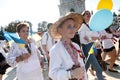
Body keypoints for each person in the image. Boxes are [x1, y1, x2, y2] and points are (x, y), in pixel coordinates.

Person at [49, 12, 87, 80]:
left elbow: (82, 65)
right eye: (69, 26)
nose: (73, 29)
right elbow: (53, 73)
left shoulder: (76, 46)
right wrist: (70, 74)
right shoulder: (55, 49)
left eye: (74, 26)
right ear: (60, 30)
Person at [78, 10, 105, 80]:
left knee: (87, 65)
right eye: (86, 14)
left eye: (89, 14)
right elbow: (83, 39)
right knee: (98, 69)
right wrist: (92, 38)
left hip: (92, 47)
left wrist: (92, 38)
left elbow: (96, 36)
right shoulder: (82, 26)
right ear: (82, 16)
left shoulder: (89, 25)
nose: (88, 15)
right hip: (87, 47)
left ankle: (81, 77)